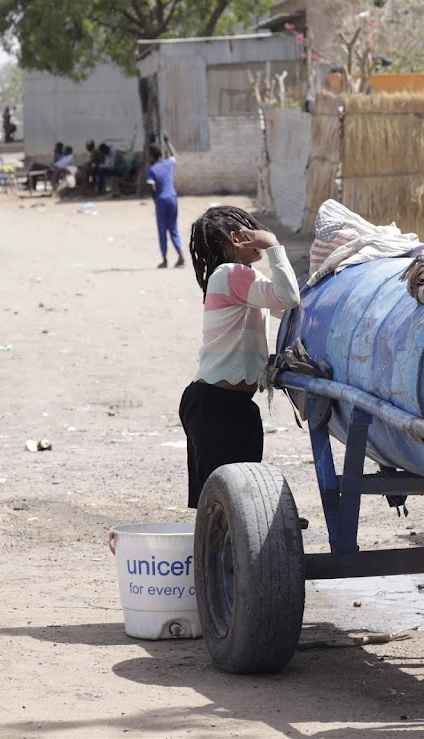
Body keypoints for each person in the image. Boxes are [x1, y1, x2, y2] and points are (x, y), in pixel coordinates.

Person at [178, 206, 301, 509]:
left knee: (241, 499)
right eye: (252, 230)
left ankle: (249, 543)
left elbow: (285, 307)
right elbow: (289, 298)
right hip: (214, 407)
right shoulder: (230, 275)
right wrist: (273, 245)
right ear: (236, 238)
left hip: (233, 405)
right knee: (222, 502)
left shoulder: (242, 278)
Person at [145, 133, 184, 268]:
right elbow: (174, 155)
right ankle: (181, 255)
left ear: (150, 155)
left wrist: (155, 199)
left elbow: (151, 186)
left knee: (162, 230)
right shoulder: (168, 164)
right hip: (172, 197)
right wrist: (168, 142)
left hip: (161, 200)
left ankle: (165, 259)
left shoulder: (151, 170)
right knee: (173, 228)